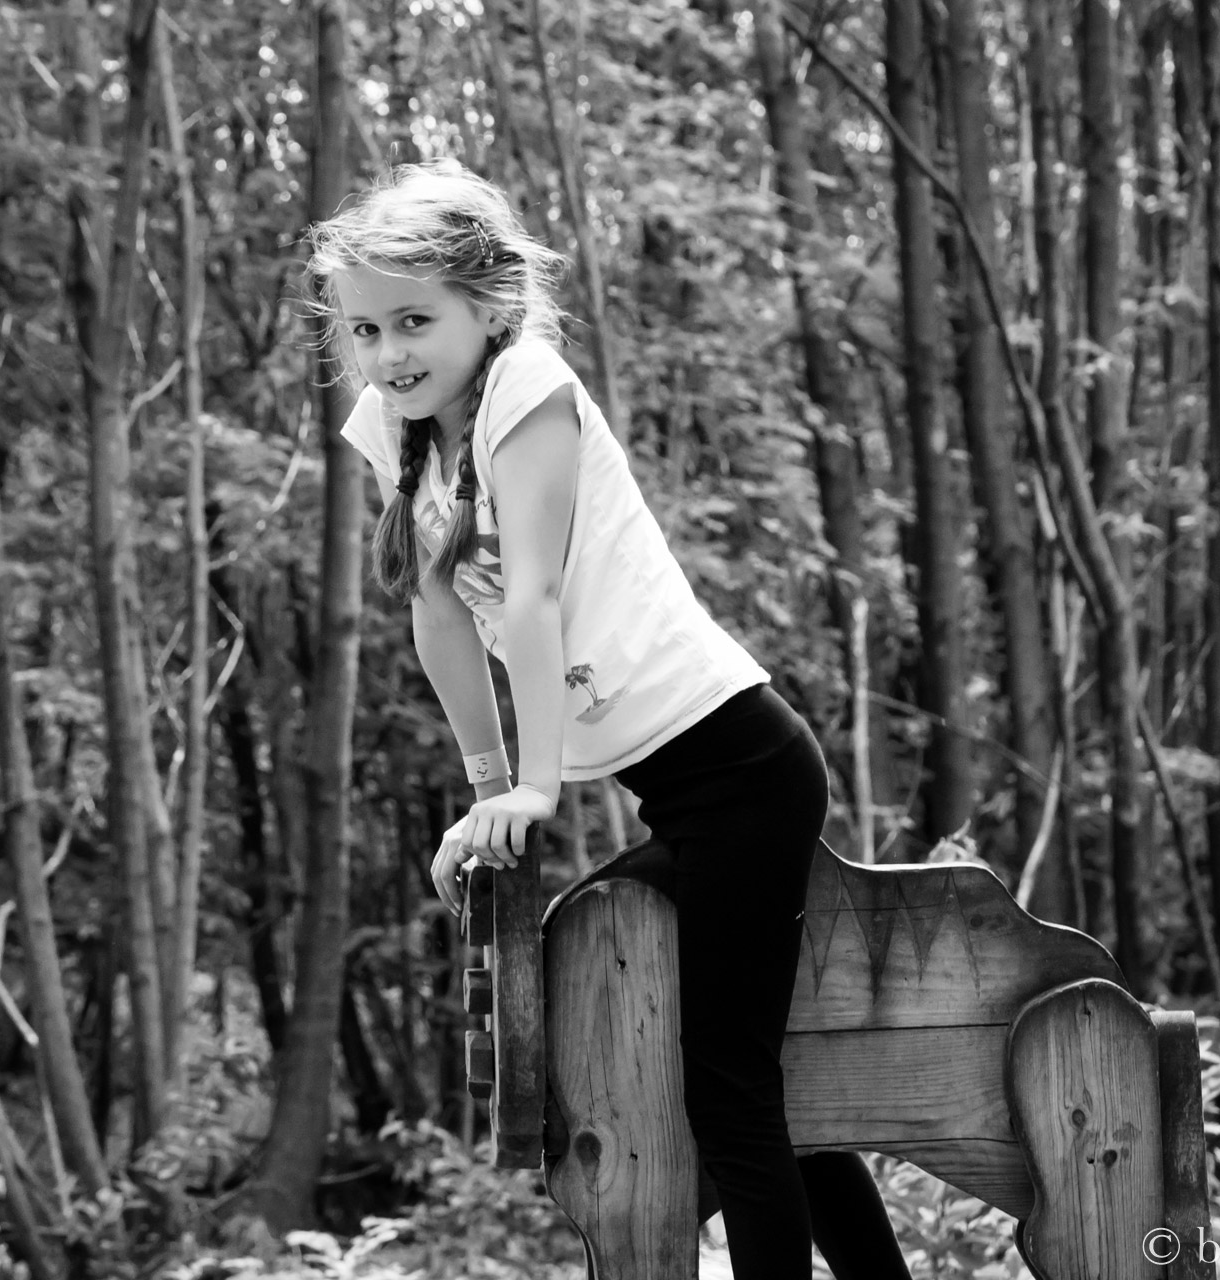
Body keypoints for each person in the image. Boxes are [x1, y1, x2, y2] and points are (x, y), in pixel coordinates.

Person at [305, 159, 912, 1280]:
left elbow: (532, 594)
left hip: (743, 765)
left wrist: (536, 788)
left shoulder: (527, 386)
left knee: (725, 1088)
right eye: (367, 329)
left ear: (490, 305)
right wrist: (490, 788)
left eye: (414, 321)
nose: (389, 353)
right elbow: (438, 614)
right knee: (686, 1028)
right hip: (685, 791)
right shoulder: (402, 425)